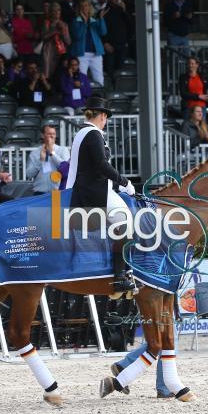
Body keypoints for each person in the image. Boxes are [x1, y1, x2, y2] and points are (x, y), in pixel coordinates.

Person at [65, 97, 135, 292]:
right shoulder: (93, 134)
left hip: (89, 186)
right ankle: (120, 276)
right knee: (126, 221)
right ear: (103, 115)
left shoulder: (83, 132)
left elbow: (91, 168)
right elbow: (101, 165)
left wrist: (116, 184)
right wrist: (124, 182)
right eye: (106, 117)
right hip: (90, 192)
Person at [70, 0, 107, 87]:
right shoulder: (75, 21)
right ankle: (82, 100)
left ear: (89, 8)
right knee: (81, 80)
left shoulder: (93, 20)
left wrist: (101, 18)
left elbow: (103, 32)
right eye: (82, 6)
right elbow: (78, 36)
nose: (84, 8)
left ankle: (99, 99)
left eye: (86, 6)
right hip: (81, 55)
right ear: (79, 9)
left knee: (99, 80)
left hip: (96, 54)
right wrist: (85, 23)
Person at [26, 125, 70, 195]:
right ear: (42, 135)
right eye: (49, 134)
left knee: (56, 206)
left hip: (57, 193)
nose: (52, 136)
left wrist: (52, 153)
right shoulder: (35, 153)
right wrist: (40, 160)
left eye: (54, 134)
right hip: (39, 192)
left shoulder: (62, 150)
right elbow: (29, 174)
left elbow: (66, 169)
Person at [102, 0, 132, 77]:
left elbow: (130, 25)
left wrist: (124, 10)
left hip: (122, 45)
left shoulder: (122, 10)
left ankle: (119, 88)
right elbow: (99, 28)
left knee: (120, 70)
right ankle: (110, 89)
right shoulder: (104, 10)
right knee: (109, 70)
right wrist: (105, 43)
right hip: (109, 45)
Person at [39, 2, 71, 80]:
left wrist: (63, 33)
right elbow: (43, 37)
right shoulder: (47, 23)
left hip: (60, 51)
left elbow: (68, 42)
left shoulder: (64, 24)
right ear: (51, 12)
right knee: (48, 73)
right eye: (54, 10)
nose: (57, 12)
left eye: (59, 10)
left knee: (59, 74)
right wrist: (54, 30)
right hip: (49, 50)